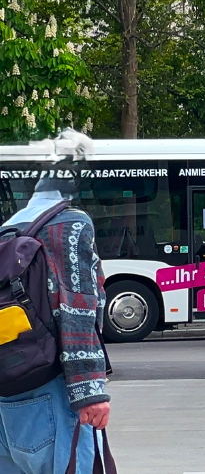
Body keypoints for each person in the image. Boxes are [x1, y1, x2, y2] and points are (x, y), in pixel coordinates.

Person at [0, 173, 109, 473]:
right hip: (54, 391)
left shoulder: (10, 227)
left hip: (10, 389)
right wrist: (90, 393)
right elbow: (77, 307)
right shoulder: (71, 224)